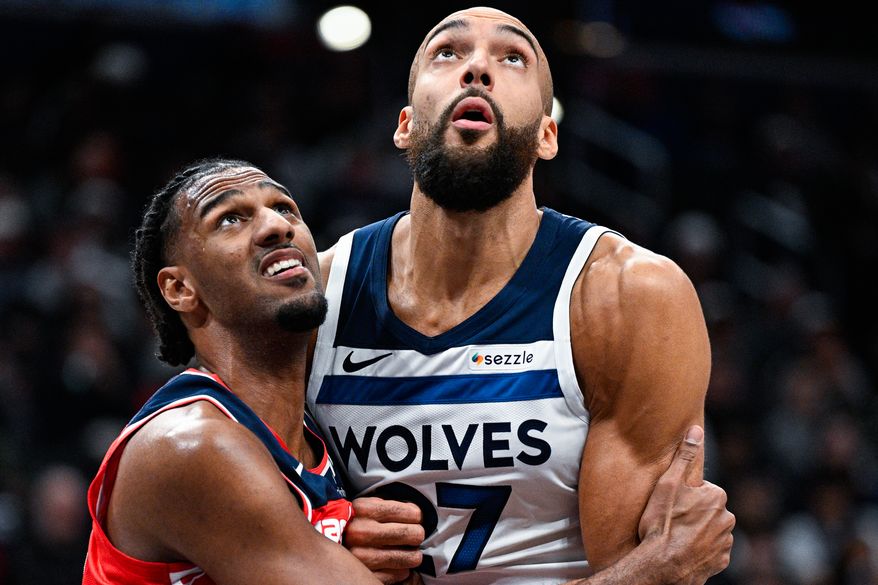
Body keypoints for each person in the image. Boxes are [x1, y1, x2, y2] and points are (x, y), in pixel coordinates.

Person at [305, 6, 735, 585]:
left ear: (546, 135)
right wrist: (325, 530)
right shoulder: (314, 296)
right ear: (405, 125)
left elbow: (634, 563)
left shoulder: (629, 297)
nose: (478, 67)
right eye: (448, 53)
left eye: (512, 58)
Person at [82, 159, 404, 584]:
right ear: (180, 289)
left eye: (285, 208)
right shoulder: (191, 444)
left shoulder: (321, 436)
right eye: (230, 218)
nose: (276, 226)